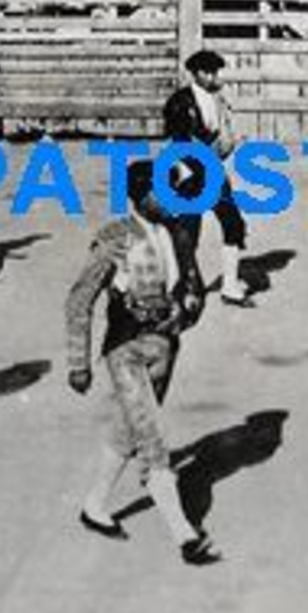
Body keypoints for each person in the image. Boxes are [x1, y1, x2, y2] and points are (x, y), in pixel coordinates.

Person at [65, 159, 220, 566]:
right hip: (127, 349)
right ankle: (185, 536)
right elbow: (80, 298)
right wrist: (77, 361)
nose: (170, 198)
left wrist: (185, 311)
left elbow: (195, 292)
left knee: (128, 431)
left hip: (165, 348)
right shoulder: (114, 238)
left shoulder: (179, 234)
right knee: (152, 441)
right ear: (139, 196)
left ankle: (95, 506)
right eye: (161, 192)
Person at [163, 49, 252, 307]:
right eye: (208, 72)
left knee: (233, 223)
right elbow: (178, 142)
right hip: (189, 172)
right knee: (189, 231)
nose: (214, 76)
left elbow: (223, 136)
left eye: (216, 71)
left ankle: (230, 287)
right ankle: (184, 285)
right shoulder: (179, 102)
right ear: (196, 74)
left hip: (212, 169)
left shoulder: (219, 101)